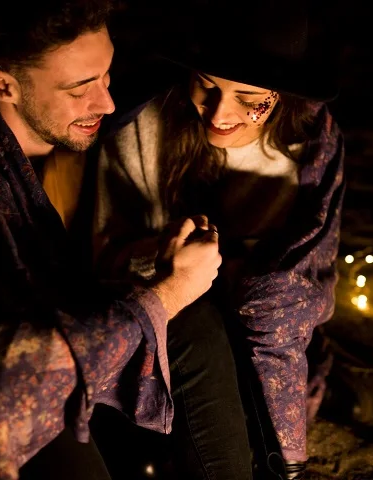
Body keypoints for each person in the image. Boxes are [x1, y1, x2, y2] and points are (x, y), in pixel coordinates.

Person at [0, 0, 251, 479]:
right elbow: (17, 368)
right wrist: (170, 291)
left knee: (190, 323)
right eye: (80, 88)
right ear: (2, 85)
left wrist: (159, 270)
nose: (107, 104)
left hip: (42, 372)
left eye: (106, 77)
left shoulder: (10, 149)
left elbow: (62, 292)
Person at [90, 0, 345, 478]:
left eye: (250, 98)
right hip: (172, 317)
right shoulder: (146, 129)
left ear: (284, 94)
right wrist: (166, 258)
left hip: (254, 330)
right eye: (206, 86)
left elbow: (308, 271)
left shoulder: (303, 150)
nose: (219, 112)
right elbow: (108, 255)